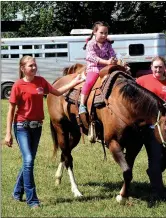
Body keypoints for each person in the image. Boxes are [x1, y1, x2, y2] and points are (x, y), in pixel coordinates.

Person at [4, 55, 85, 209]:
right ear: (23, 69)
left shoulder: (41, 81)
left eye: (35, 65)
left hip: (37, 128)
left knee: (29, 161)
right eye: (30, 66)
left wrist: (75, 82)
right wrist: (8, 133)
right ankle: (32, 200)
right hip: (22, 126)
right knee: (28, 161)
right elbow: (10, 110)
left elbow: (57, 91)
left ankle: (16, 192)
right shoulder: (18, 85)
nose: (34, 68)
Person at [136, 56, 166, 201]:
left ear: (165, 68)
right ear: (151, 67)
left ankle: (153, 173)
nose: (158, 69)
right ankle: (157, 192)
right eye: (155, 67)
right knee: (154, 157)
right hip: (150, 128)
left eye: (160, 67)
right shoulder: (142, 81)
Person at [79, 21, 117, 114]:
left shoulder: (108, 44)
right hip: (94, 68)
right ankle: (82, 104)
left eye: (106, 33)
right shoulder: (91, 44)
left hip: (107, 67)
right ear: (95, 32)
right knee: (89, 82)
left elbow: (112, 53)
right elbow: (91, 57)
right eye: (101, 33)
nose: (104, 35)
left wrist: (114, 60)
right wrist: (106, 62)